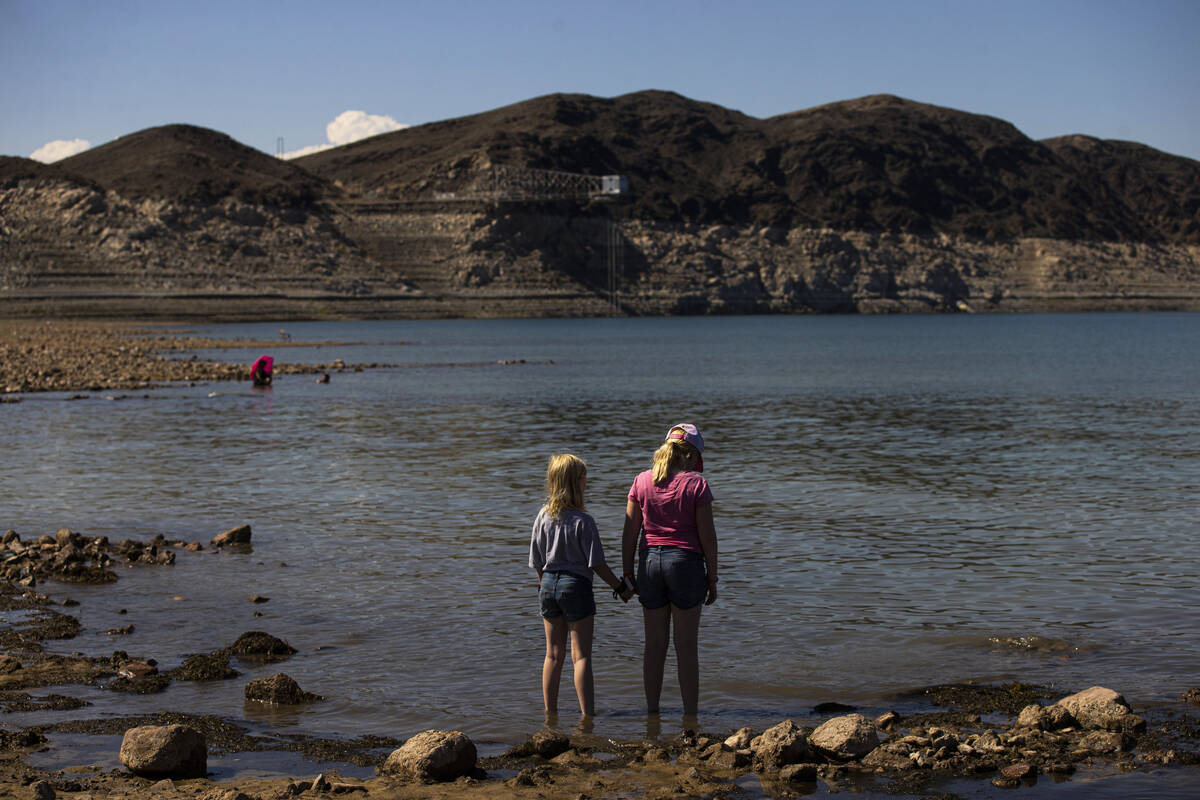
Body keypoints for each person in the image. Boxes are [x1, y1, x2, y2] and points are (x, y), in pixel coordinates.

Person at [622, 423, 718, 716]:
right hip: (685, 564)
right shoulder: (696, 485)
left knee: (654, 646)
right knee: (686, 647)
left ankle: (652, 714)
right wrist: (712, 577)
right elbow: (707, 536)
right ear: (689, 456)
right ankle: (690, 717)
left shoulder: (641, 481)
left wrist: (627, 573)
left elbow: (629, 533)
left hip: (649, 563)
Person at [530, 454, 634, 718]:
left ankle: (550, 713)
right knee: (581, 656)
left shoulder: (542, 516)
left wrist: (546, 588)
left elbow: (537, 561)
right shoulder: (583, 521)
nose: (587, 482)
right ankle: (588, 716)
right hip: (575, 586)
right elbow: (597, 564)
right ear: (577, 483)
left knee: (552, 655)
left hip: (548, 585)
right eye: (584, 478)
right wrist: (622, 588)